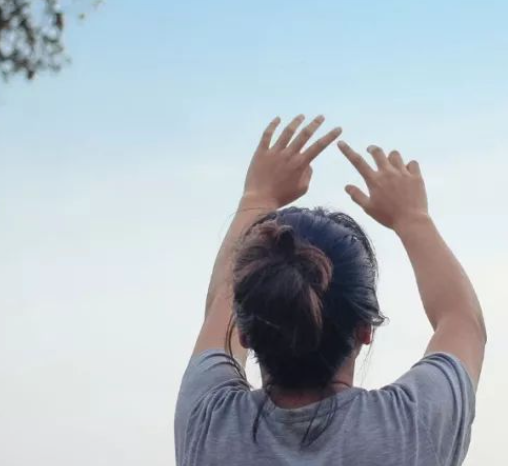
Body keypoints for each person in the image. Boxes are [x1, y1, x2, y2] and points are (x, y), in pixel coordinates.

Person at [176, 115, 486, 466]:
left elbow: (222, 300)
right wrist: (414, 219)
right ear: (365, 329)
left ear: (245, 334)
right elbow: (463, 322)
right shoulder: (411, 427)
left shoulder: (209, 424)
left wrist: (257, 197)